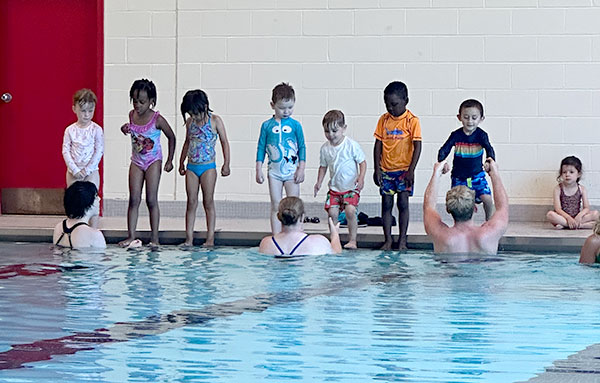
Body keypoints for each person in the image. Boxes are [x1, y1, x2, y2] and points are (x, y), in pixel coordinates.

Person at [118, 79, 176, 248]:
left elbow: (171, 136)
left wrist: (170, 160)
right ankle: (131, 236)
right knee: (134, 199)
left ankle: (155, 238)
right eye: (135, 101)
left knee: (151, 199)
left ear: (152, 102)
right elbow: (130, 129)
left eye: (142, 102)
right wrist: (125, 128)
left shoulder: (157, 119)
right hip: (136, 161)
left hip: (153, 161)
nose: (138, 105)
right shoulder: (132, 115)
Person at [373, 81, 422, 250]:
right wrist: (377, 169)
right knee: (386, 204)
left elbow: (417, 146)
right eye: (387, 104)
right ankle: (388, 239)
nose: (390, 108)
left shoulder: (412, 121)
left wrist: (411, 170)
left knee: (403, 203)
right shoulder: (383, 120)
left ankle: (402, 240)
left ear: (405, 101)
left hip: (403, 171)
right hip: (387, 170)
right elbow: (378, 144)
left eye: (394, 104)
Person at [178, 89, 231, 247]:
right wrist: (181, 162)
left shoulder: (215, 121)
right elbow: (187, 142)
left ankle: (210, 239)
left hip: (208, 167)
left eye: (197, 114)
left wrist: (226, 163)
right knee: (191, 202)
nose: (194, 117)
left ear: (205, 107)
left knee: (208, 202)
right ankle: (189, 239)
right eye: (191, 114)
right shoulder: (190, 123)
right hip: (192, 167)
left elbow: (224, 142)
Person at [423, 158, 508, 255]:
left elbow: (428, 207)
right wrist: (494, 173)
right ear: (475, 208)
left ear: (448, 210)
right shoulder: (489, 233)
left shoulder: (441, 236)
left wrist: (436, 173)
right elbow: (503, 207)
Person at [256, 82, 306, 235]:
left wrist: (301, 168)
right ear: (272, 105)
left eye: (290, 107)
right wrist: (258, 169)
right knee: (276, 205)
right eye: (282, 108)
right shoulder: (266, 126)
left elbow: (302, 147)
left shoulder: (296, 125)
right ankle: (277, 236)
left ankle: (295, 234)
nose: (286, 112)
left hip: (292, 172)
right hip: (274, 173)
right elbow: (261, 148)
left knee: (294, 205)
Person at [314, 110, 366, 249]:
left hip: (351, 187)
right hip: (335, 188)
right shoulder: (325, 149)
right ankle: (334, 239)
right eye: (327, 131)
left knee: (350, 211)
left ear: (344, 128)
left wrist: (361, 178)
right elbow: (323, 167)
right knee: (332, 213)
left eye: (335, 131)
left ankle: (352, 240)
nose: (331, 135)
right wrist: (318, 182)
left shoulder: (351, 145)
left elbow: (362, 162)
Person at [438, 99, 495, 221]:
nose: (470, 121)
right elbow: (444, 150)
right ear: (459, 117)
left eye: (474, 118)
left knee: (487, 199)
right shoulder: (456, 135)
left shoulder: (481, 135)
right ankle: (463, 228)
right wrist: (443, 162)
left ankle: (489, 223)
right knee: (460, 205)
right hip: (459, 177)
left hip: (477, 176)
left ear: (481, 118)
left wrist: (489, 162)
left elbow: (489, 149)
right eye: (466, 117)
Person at [61, 88, 104, 227]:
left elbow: (99, 151)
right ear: (74, 109)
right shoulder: (70, 130)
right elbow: (65, 150)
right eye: (83, 111)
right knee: (73, 200)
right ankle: (73, 228)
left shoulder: (96, 129)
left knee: (93, 200)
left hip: (90, 171)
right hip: (73, 171)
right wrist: (74, 169)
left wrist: (87, 170)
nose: (86, 115)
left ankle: (94, 229)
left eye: (90, 111)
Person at [259, 196, 342, 256]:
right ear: (302, 217)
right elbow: (336, 254)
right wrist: (335, 235)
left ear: (278, 217)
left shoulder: (266, 243)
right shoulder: (318, 242)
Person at [546, 156, 599, 230]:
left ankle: (569, 225)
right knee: (550, 215)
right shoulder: (558, 189)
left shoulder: (581, 189)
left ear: (579, 174)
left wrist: (579, 216)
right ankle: (577, 225)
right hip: (563, 217)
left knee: (596, 214)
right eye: (564, 172)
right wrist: (568, 218)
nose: (567, 175)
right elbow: (558, 209)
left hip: (578, 217)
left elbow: (586, 208)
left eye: (571, 172)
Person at [53, 181, 106, 249]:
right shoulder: (94, 235)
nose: (99, 199)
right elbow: (99, 258)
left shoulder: (58, 228)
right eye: (96, 196)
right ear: (88, 202)